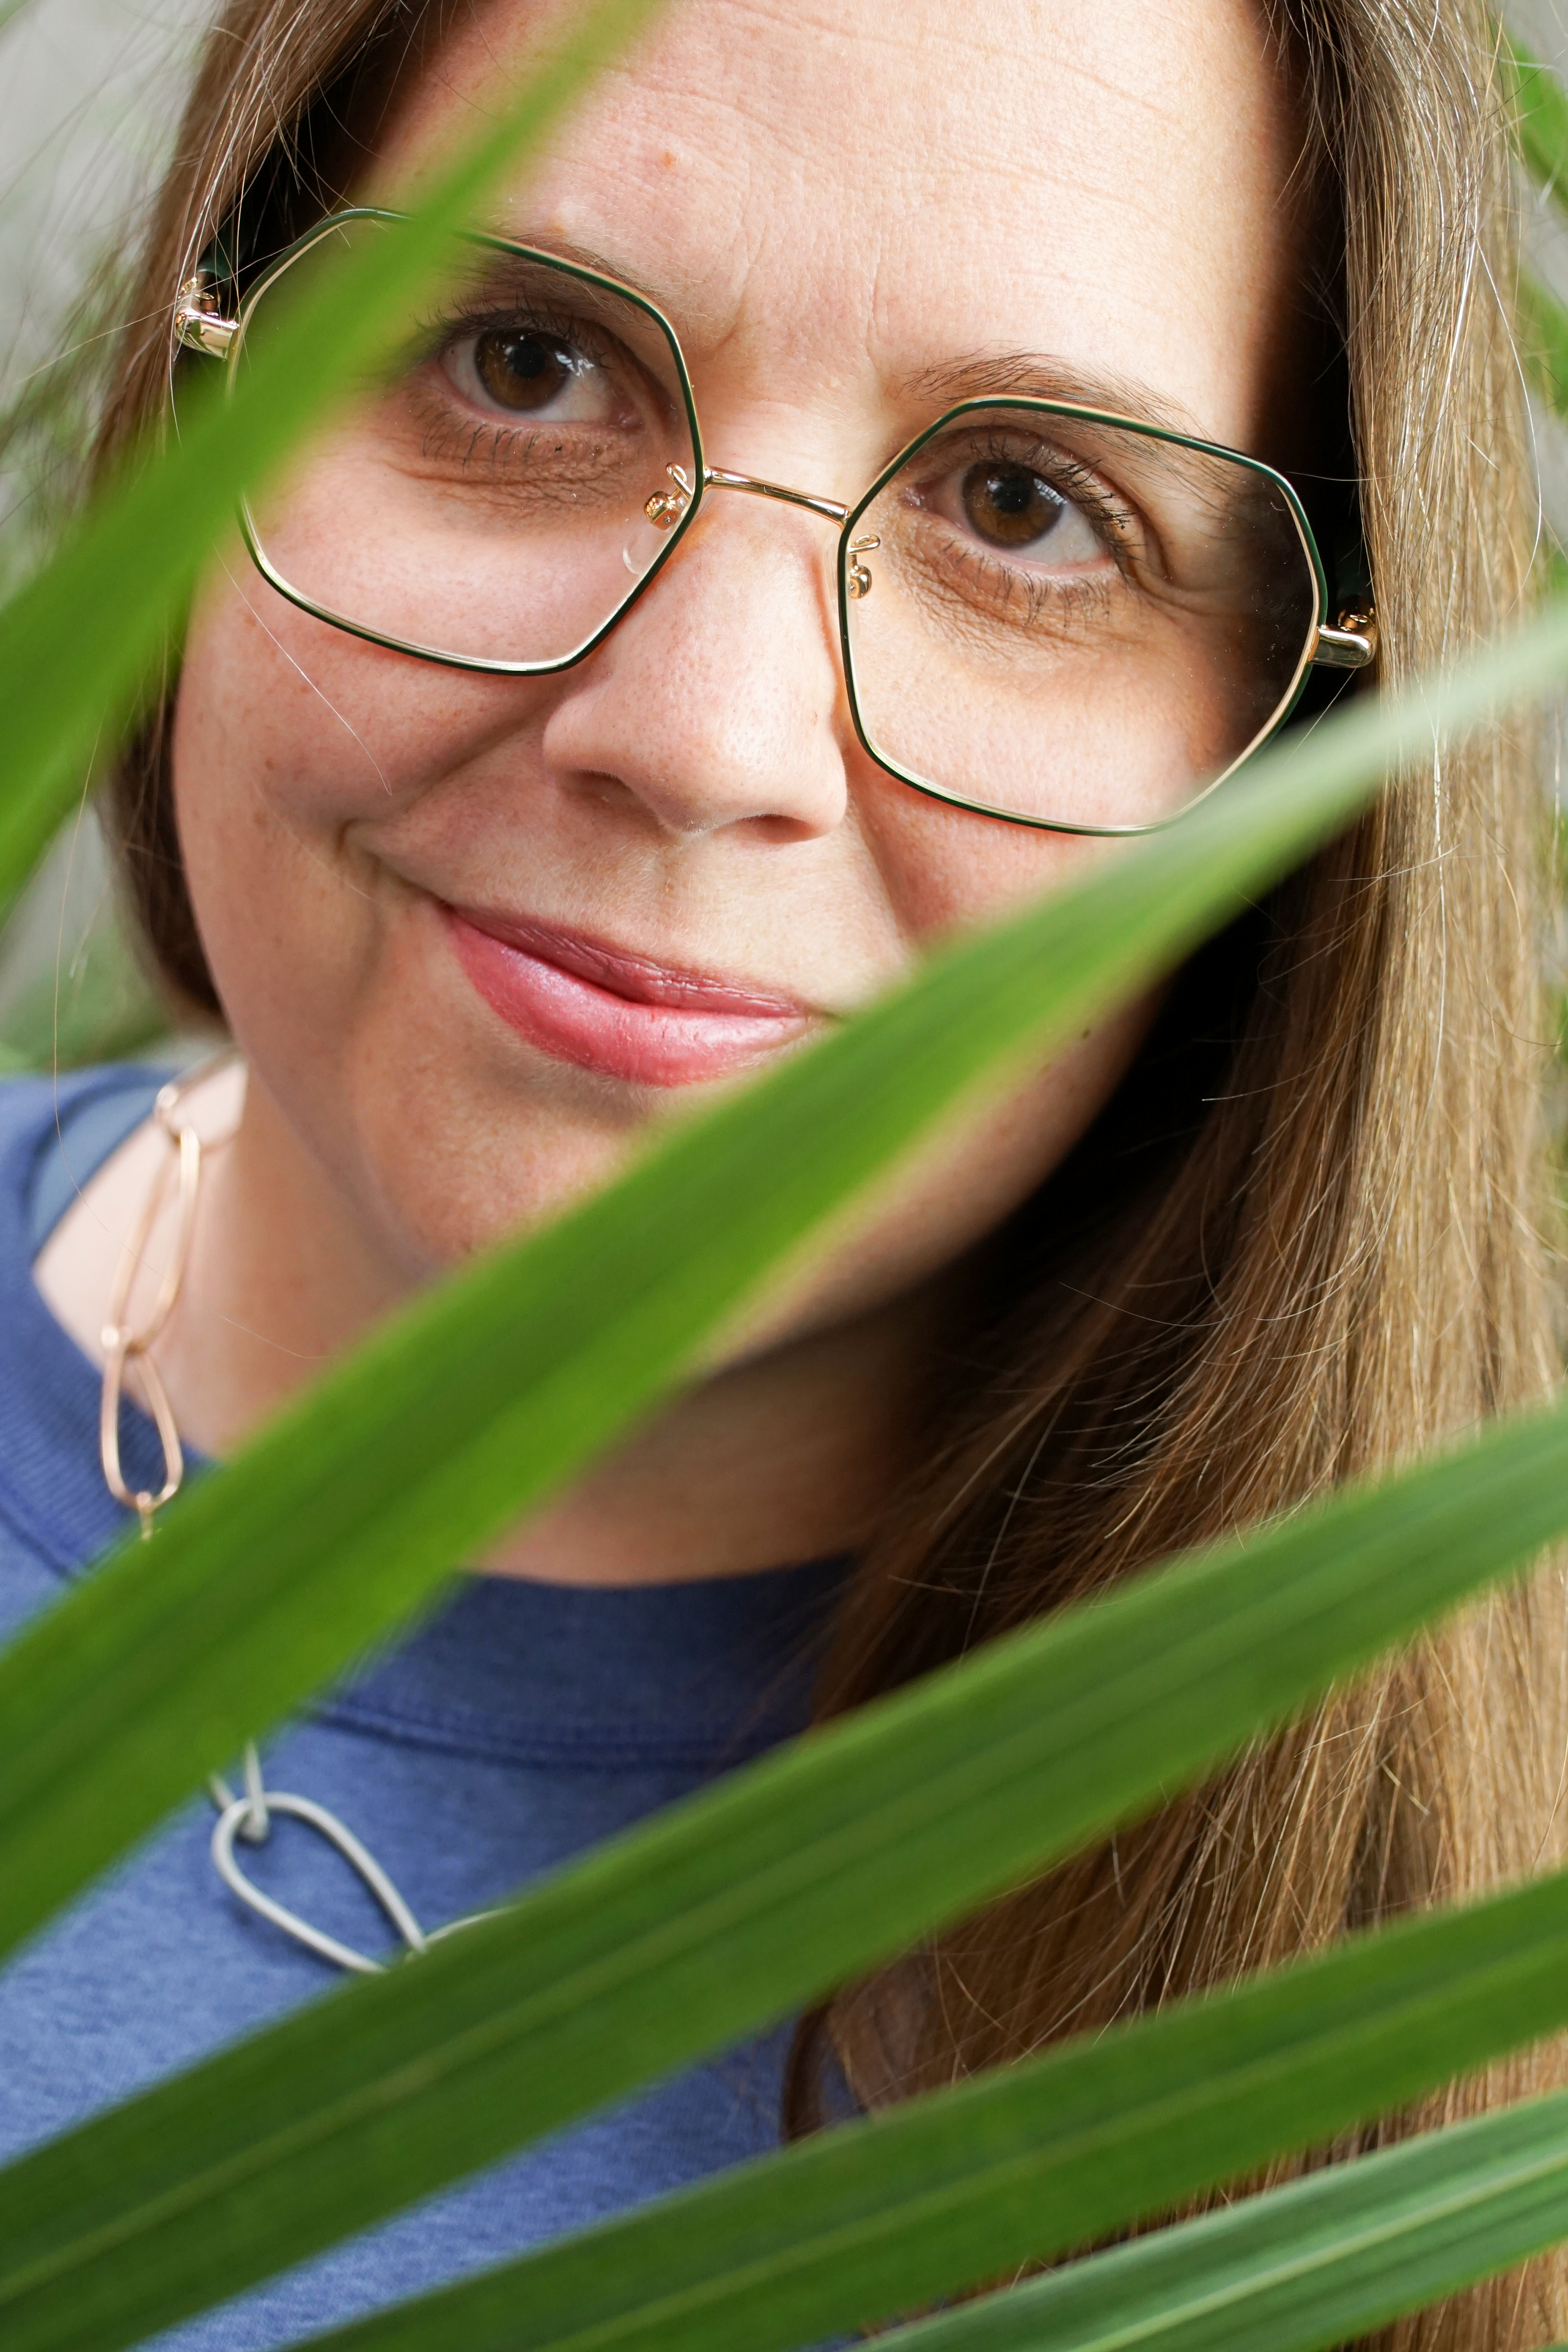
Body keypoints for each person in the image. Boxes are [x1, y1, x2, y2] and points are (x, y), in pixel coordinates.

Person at [0, 0, 1557, 2344]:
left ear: (1310, 727)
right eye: (521, 362)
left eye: (1026, 508)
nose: (698, 735)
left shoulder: (1478, 1962)